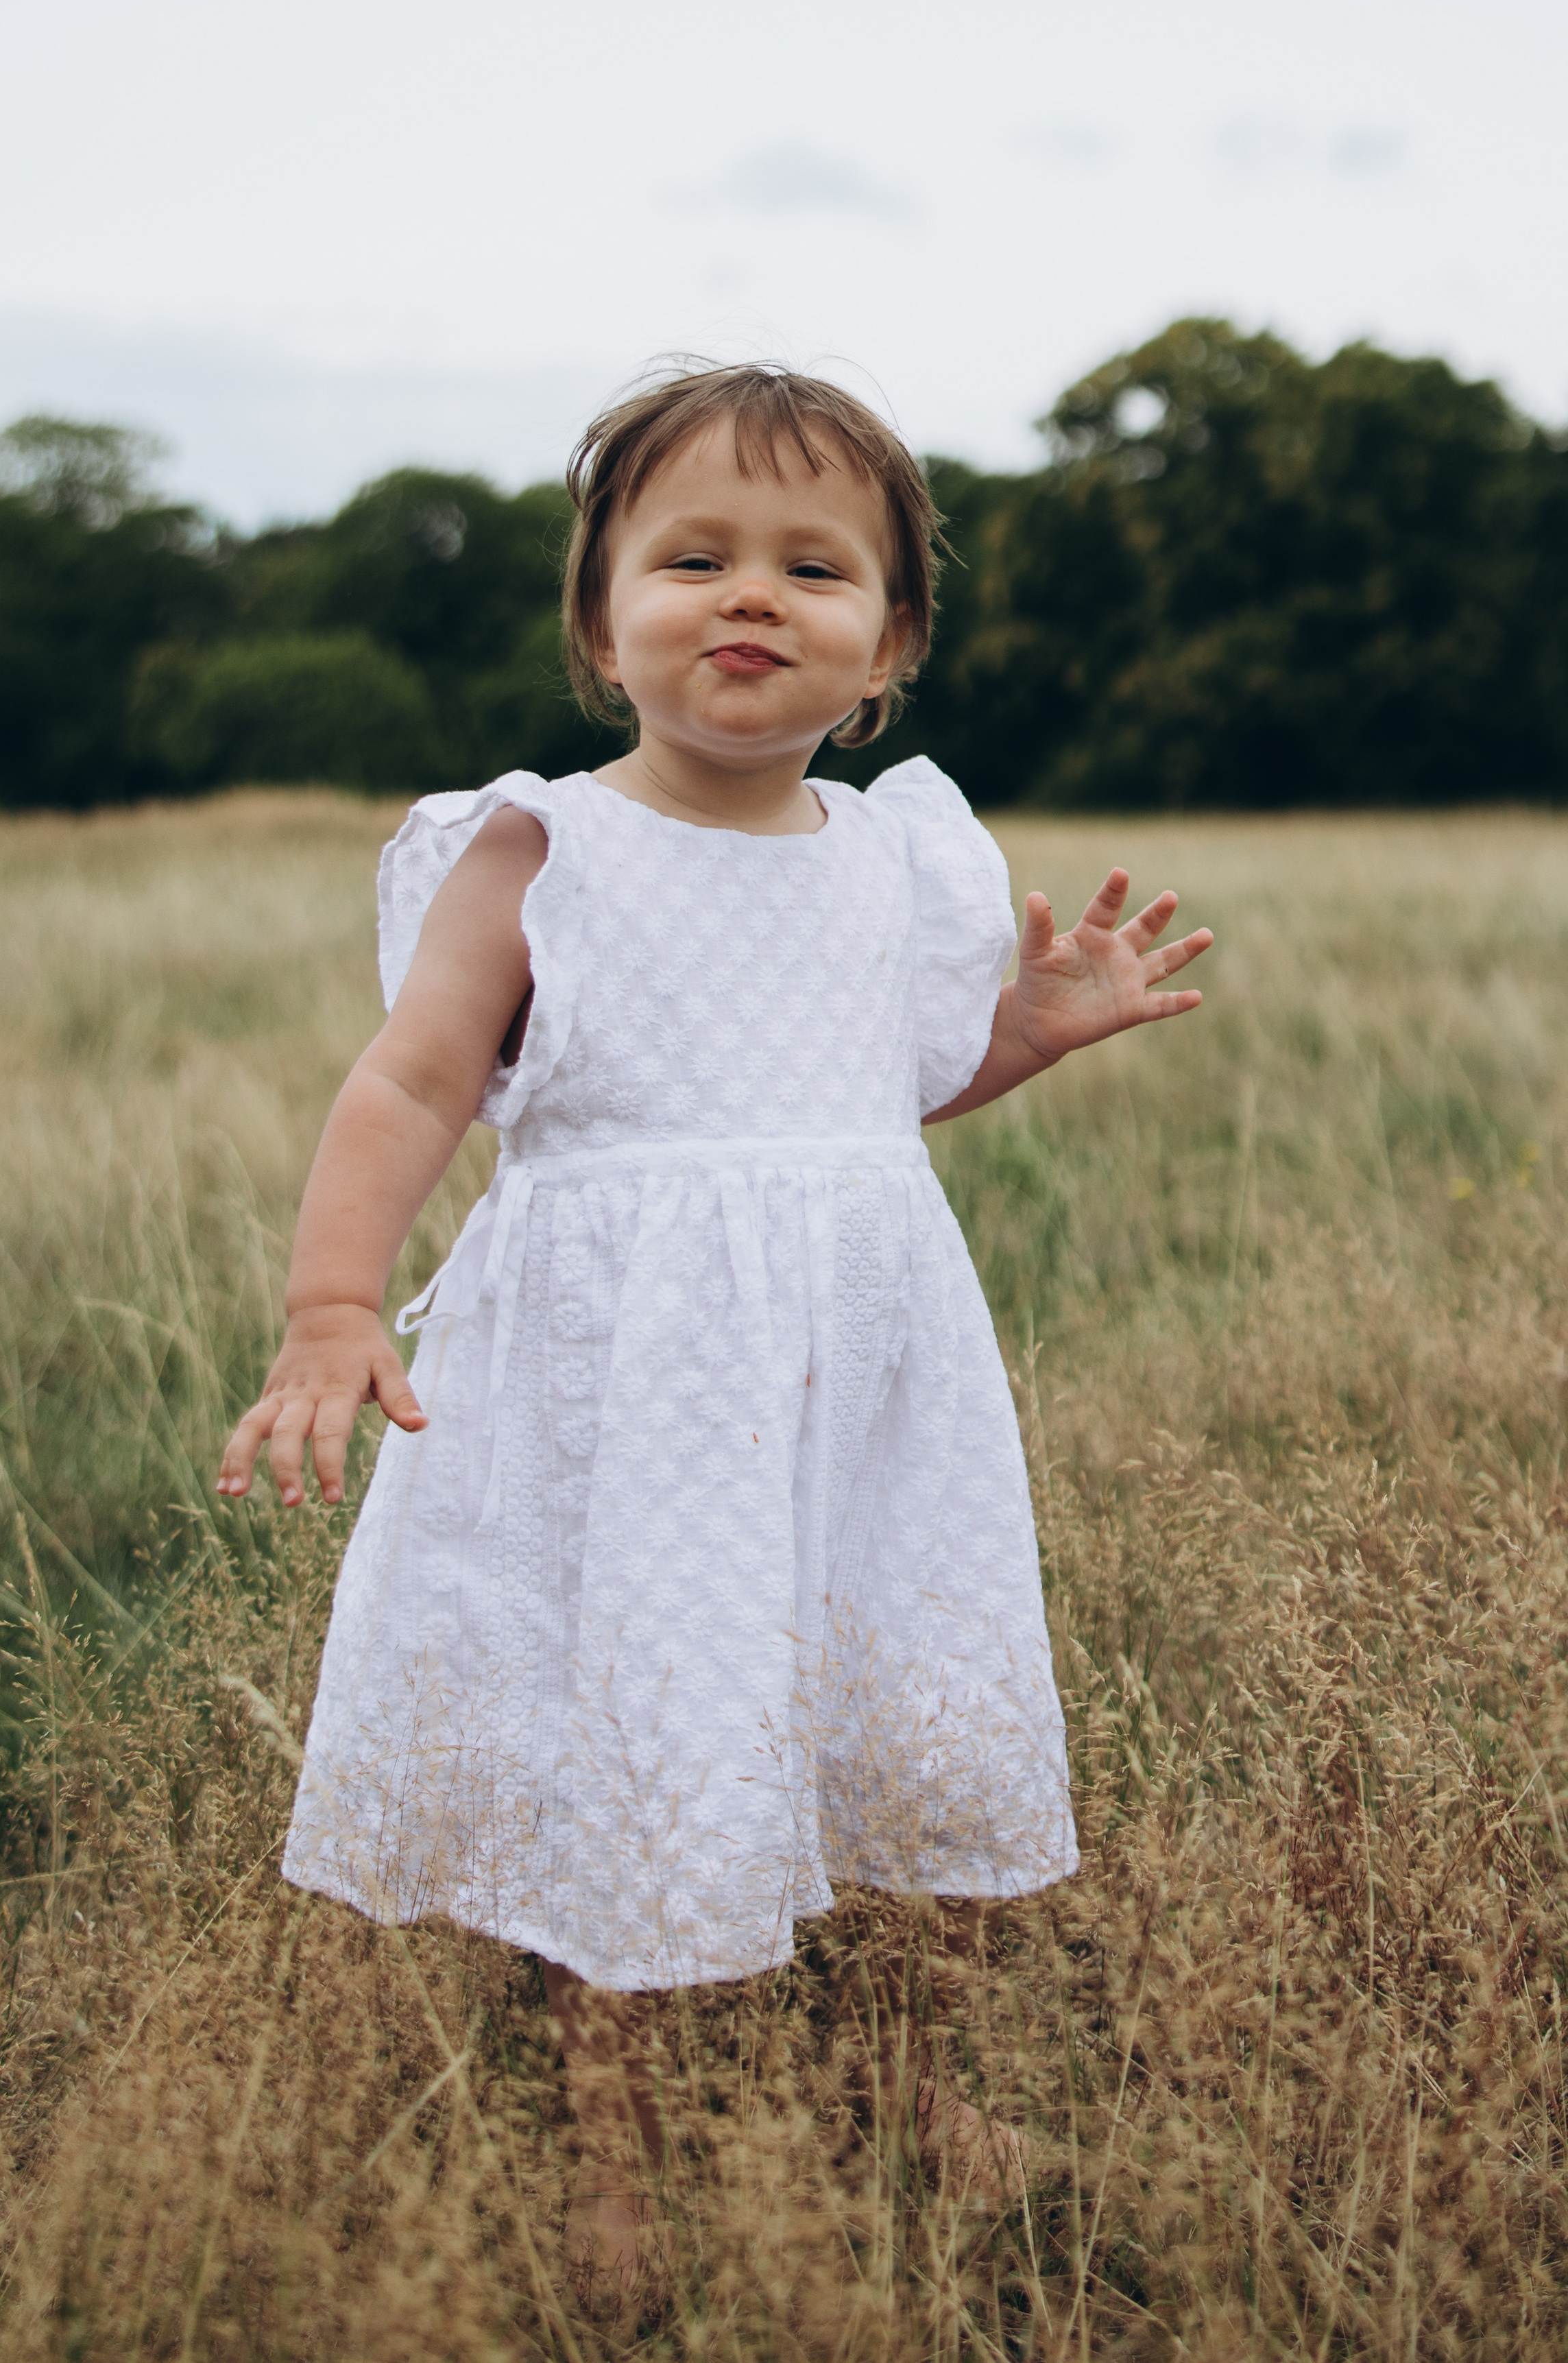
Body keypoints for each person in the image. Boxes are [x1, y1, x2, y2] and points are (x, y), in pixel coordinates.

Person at [217, 363, 1211, 2286]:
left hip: (864, 1392)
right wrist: (333, 1303)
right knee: (643, 1727)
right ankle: (619, 2152)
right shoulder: (538, 853)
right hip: (633, 1395)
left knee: (902, 1706)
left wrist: (1022, 1035)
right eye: (693, 558)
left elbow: (868, 1101)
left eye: (813, 568)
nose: (751, 595)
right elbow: (412, 1083)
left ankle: (913, 2077)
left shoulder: (900, 854)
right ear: (603, 623)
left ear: (888, 644)